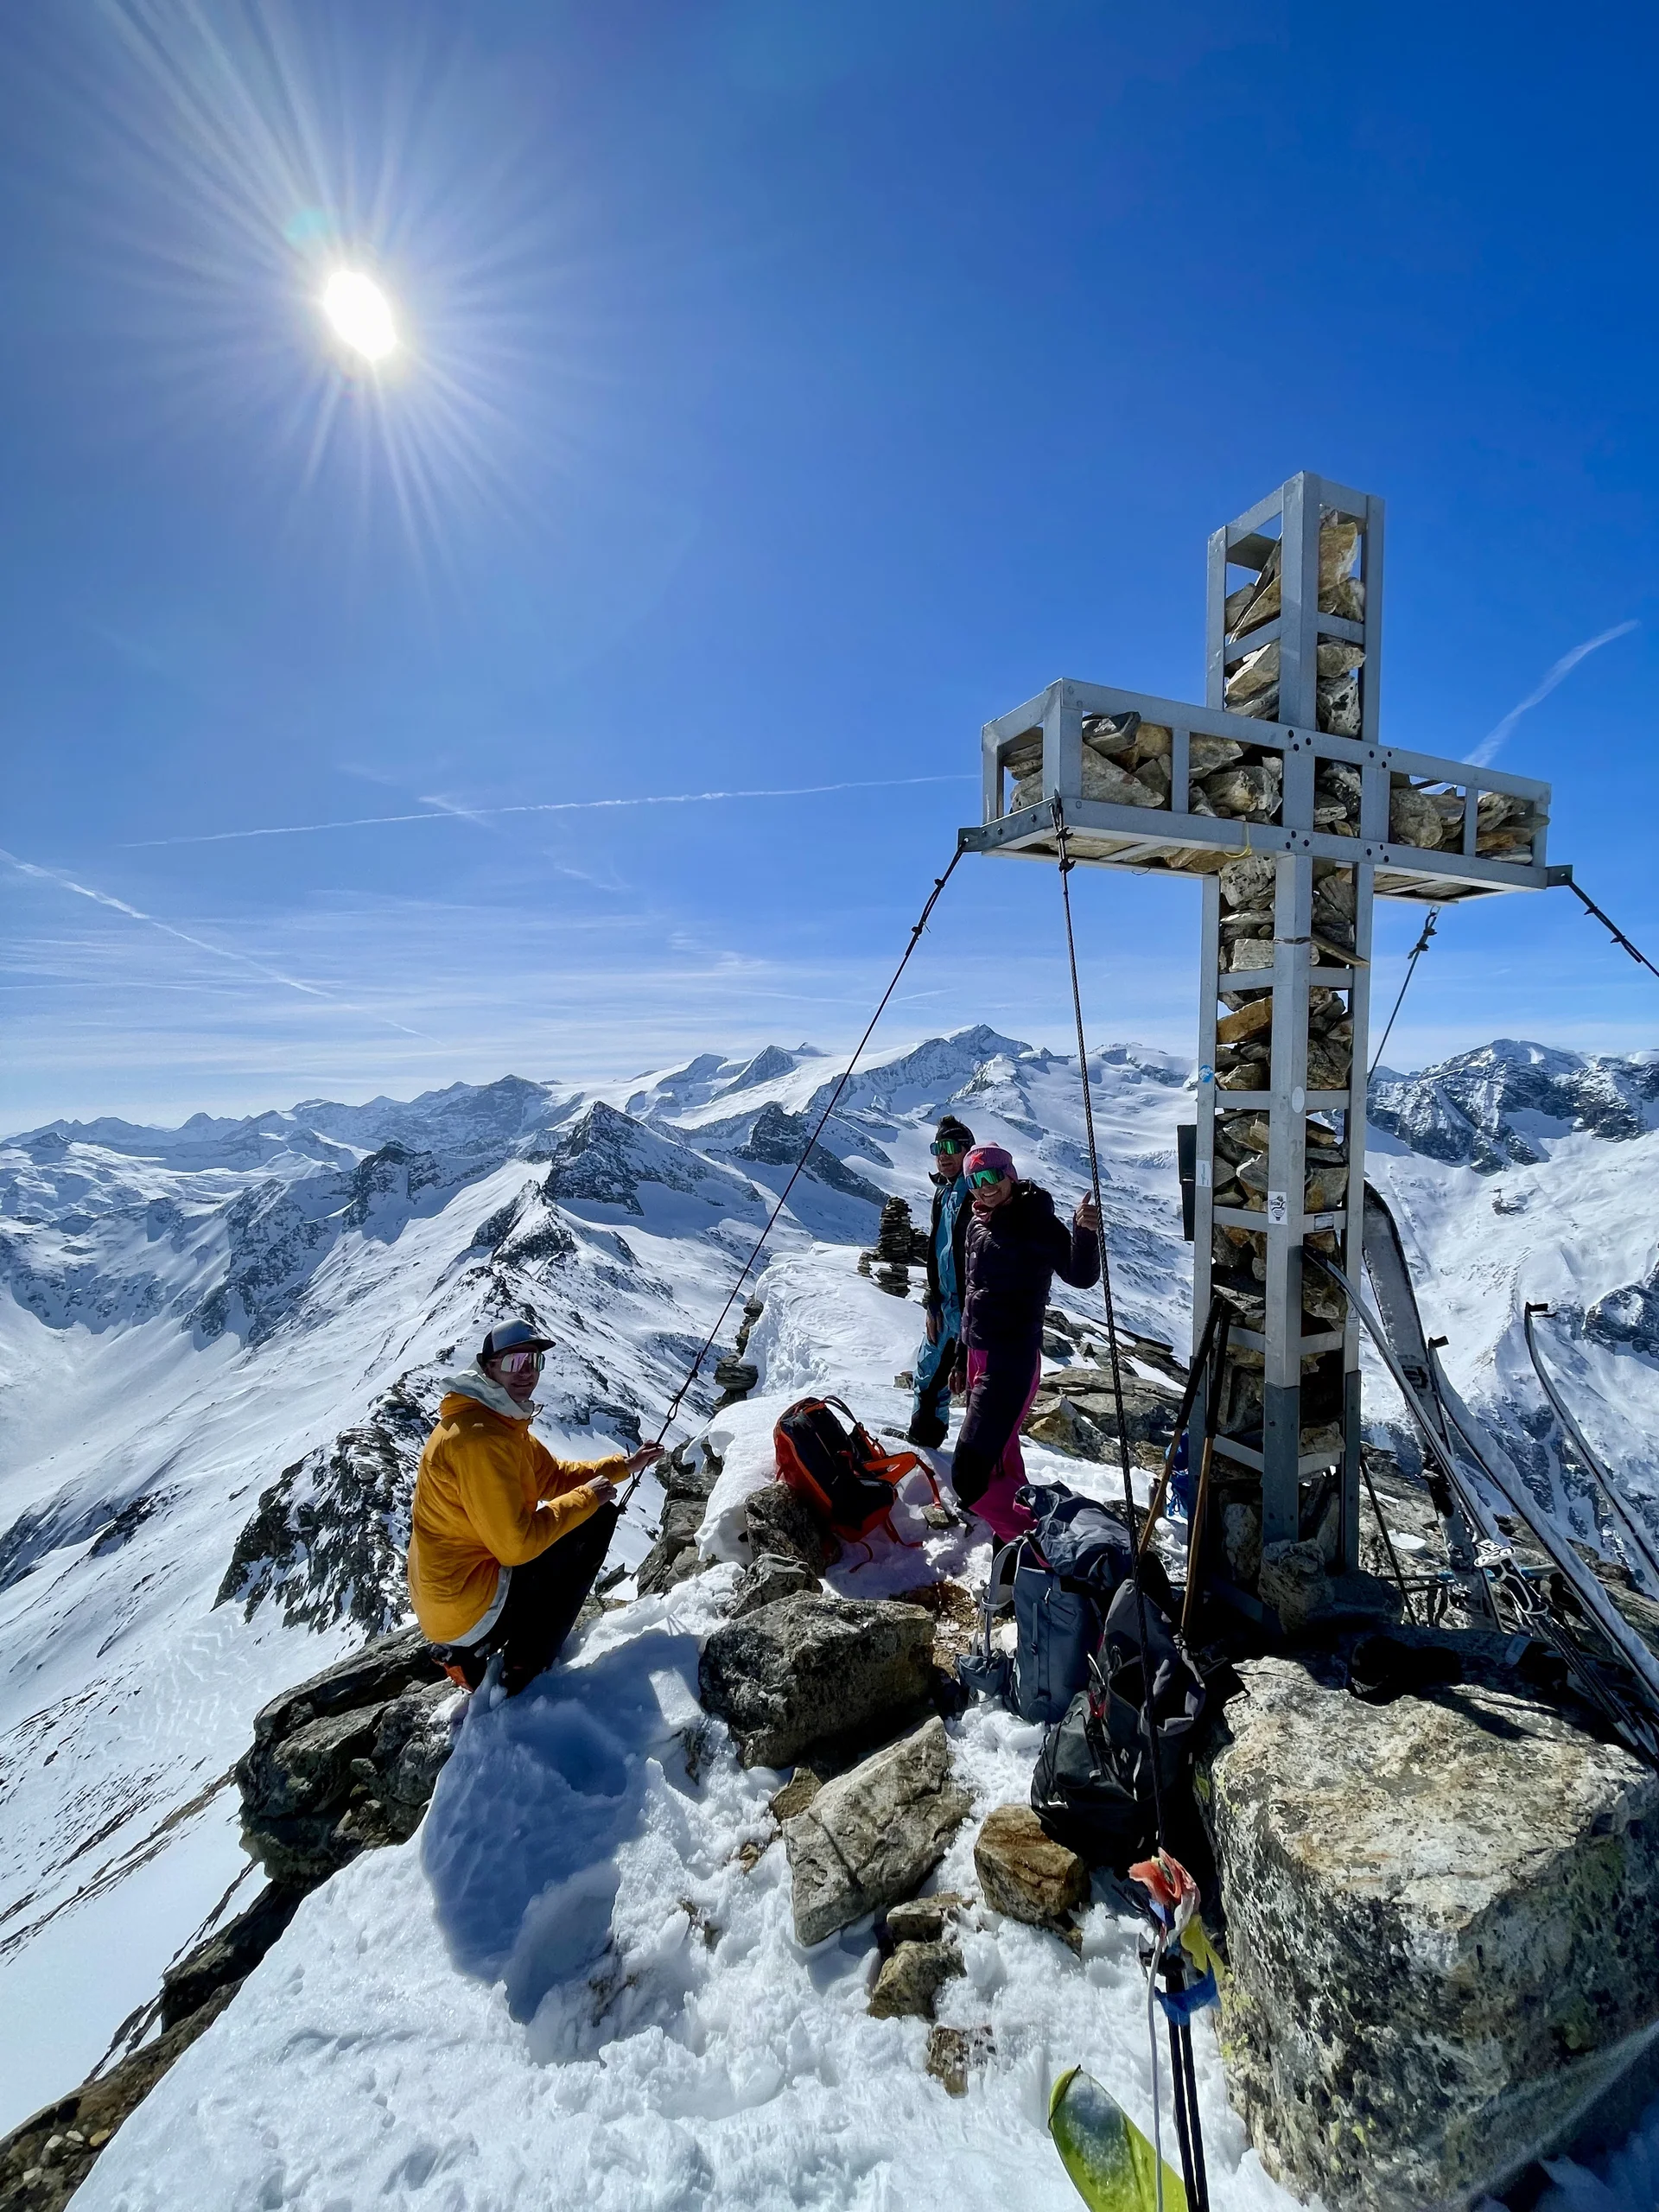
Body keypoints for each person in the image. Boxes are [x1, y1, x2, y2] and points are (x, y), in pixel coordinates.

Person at [408, 1319, 664, 1695]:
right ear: (488, 1368)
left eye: (533, 1361)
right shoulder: (481, 1439)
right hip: (466, 1606)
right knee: (592, 1520)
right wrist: (588, 1498)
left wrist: (624, 1466)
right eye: (514, 1362)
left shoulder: (496, 1421)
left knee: (584, 1512)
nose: (526, 1372)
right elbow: (516, 1547)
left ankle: (474, 1655)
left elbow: (554, 1477)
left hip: (450, 1599)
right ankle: (524, 1667)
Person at [949, 1145, 1101, 1543]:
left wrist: (1085, 1234)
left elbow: (1079, 1275)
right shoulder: (976, 1221)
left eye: (992, 1176)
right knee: (1000, 1457)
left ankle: (1042, 1544)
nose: (985, 1187)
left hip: (1011, 1358)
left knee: (968, 1477)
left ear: (1010, 1174)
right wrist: (960, 1357)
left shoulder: (1034, 1219)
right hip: (979, 1353)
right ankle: (1012, 1547)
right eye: (974, 1181)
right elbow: (972, 1292)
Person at [906, 1114, 976, 1448]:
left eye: (950, 1147)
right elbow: (936, 1250)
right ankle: (923, 1444)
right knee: (928, 1375)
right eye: (937, 1148)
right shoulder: (943, 1194)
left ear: (967, 1150)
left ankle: (976, 1462)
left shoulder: (978, 1195)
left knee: (971, 1386)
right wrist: (932, 1299)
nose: (943, 1155)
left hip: (969, 1310)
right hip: (943, 1305)